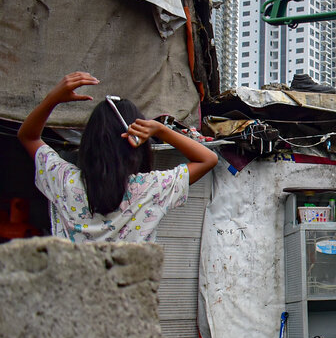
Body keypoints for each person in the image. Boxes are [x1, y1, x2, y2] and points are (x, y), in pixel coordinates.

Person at [17, 72, 218, 242]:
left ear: (89, 142)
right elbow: (208, 159)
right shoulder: (152, 187)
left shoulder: (63, 179)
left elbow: (28, 136)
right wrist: (160, 130)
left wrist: (52, 98)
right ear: (136, 147)